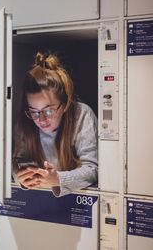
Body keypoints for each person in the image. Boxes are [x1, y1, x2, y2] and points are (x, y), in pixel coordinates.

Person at [13, 52, 98, 197]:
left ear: (64, 105)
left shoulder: (81, 114)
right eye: (34, 111)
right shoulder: (26, 120)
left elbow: (93, 169)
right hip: (38, 199)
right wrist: (20, 177)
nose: (41, 120)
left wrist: (58, 179)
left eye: (48, 111)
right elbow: (14, 162)